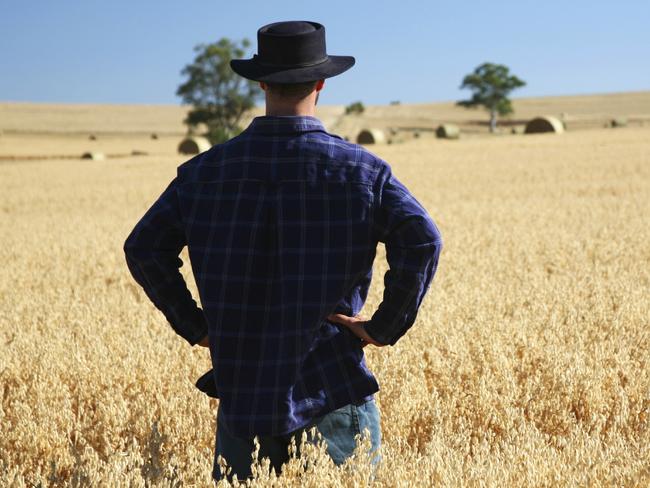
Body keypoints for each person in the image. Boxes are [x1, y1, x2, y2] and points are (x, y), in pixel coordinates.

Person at [123, 20, 442, 482]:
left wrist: (196, 326)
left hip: (242, 399)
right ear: (321, 83)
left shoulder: (203, 173)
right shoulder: (361, 170)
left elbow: (144, 247)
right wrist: (381, 328)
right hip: (333, 390)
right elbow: (423, 239)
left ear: (260, 81)